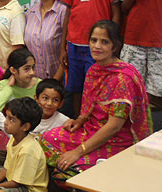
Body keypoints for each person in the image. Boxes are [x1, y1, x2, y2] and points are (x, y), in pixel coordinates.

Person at [41, 21, 152, 172]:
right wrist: (79, 120)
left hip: (115, 140)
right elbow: (90, 108)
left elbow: (114, 126)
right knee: (45, 139)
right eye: (93, 40)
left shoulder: (122, 79)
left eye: (104, 42)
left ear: (115, 46)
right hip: (90, 130)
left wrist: (78, 151)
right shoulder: (94, 70)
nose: (97, 46)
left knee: (68, 170)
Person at [60, 0, 121, 117]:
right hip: (74, 45)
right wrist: (63, 47)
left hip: (97, 46)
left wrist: (113, 42)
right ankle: (80, 120)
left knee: (97, 87)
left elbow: (116, 12)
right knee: (76, 87)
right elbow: (68, 14)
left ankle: (96, 122)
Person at [24, 0, 67, 80]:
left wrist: (56, 80)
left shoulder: (62, 11)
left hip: (59, 81)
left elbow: (67, 49)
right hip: (34, 80)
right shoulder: (31, 12)